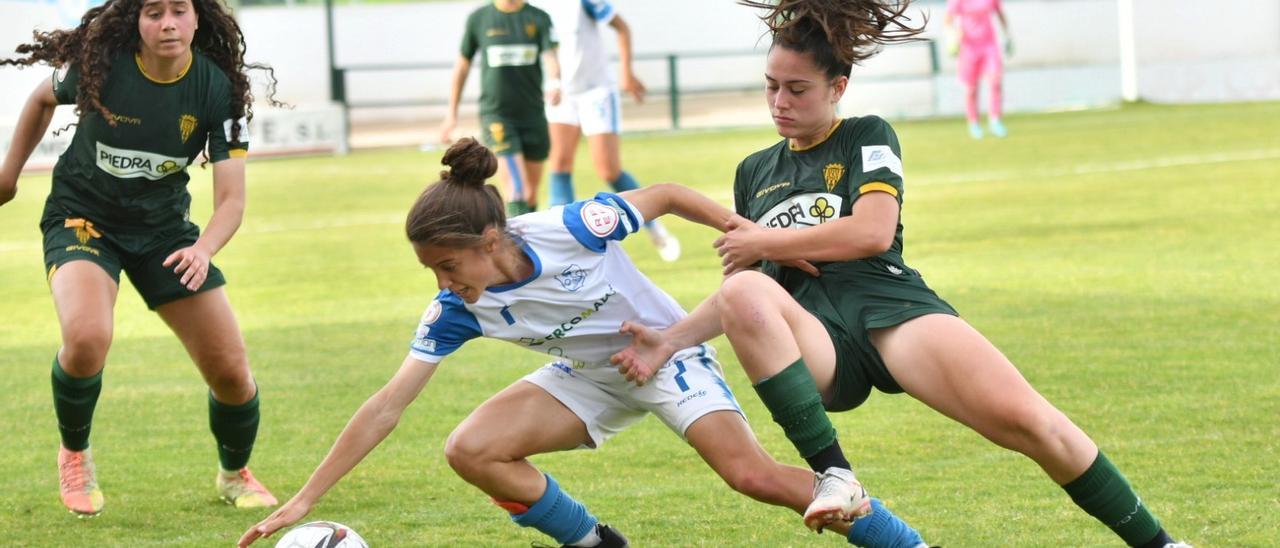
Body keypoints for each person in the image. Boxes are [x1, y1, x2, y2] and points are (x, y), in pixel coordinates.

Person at [612, 1, 1189, 546]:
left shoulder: (867, 135)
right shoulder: (755, 170)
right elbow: (749, 295)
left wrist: (769, 239)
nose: (779, 102)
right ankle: (835, 475)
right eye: (771, 86)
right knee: (741, 288)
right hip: (817, 338)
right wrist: (670, 339)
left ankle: (1161, 543)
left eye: (797, 89)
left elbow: (872, 232)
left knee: (1032, 423)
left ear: (838, 87)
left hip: (888, 307)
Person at [237, 138, 930, 548]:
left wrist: (748, 234)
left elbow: (660, 194)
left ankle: (901, 540)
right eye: (432, 273)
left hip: (669, 354)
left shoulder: (568, 227)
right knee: (471, 450)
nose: (443, 284)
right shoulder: (457, 309)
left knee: (752, 478)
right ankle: (596, 544)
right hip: (589, 376)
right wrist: (304, 498)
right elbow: (388, 405)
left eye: (447, 266)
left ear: (490, 241)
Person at [0, 0, 279, 517]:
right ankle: (75, 454)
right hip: (82, 219)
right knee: (86, 338)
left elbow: (232, 202)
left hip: (165, 234)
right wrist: (8, 175)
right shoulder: (102, 64)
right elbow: (41, 100)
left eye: (179, 10)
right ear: (136, 21)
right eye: (153, 12)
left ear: (199, 18)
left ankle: (234, 473)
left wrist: (203, 249)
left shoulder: (220, 91)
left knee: (233, 375)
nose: (167, 23)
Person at [541, 0, 681, 262]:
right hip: (561, 92)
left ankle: (654, 226)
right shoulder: (534, 6)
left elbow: (622, 28)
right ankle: (563, 245)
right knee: (559, 164)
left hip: (596, 91)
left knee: (608, 169)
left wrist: (626, 72)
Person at [439, 0, 561, 216]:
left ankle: (524, 243)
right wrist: (451, 114)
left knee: (530, 194)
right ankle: (513, 248)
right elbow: (462, 66)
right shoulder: (479, 18)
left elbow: (551, 57)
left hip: (533, 116)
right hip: (497, 116)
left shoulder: (539, 17)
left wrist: (555, 83)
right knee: (517, 190)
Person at [944, 0, 1011, 139]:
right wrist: (951, 38)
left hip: (989, 45)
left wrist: (1007, 36)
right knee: (971, 88)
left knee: (995, 81)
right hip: (968, 47)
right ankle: (974, 123)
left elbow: (1000, 14)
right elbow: (948, 20)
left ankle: (995, 120)